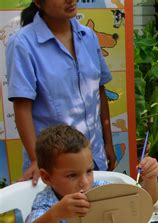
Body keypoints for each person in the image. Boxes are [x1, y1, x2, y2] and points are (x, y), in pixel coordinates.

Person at [6, 0, 116, 186]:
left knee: (96, 213)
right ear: (39, 3)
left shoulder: (88, 36)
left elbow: (99, 91)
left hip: (94, 159)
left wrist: (108, 144)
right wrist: (36, 160)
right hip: (56, 167)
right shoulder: (23, 44)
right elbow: (22, 107)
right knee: (60, 213)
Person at [25, 125, 158, 223]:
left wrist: (150, 179)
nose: (84, 181)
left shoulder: (100, 189)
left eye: (89, 171)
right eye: (72, 175)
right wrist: (55, 213)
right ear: (47, 177)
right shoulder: (46, 202)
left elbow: (146, 202)